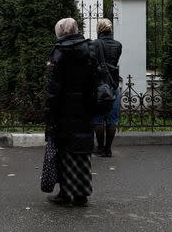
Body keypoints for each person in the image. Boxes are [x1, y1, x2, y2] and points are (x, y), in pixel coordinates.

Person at [45, 17, 95, 207]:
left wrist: (50, 114)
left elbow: (54, 88)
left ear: (60, 32)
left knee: (65, 150)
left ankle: (66, 193)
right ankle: (82, 193)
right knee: (82, 150)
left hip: (65, 109)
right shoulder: (88, 49)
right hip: (85, 107)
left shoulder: (60, 51)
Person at [91, 19, 123, 158]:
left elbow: (92, 62)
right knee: (112, 118)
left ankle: (100, 147)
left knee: (97, 117)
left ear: (99, 30)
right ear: (111, 30)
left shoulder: (94, 44)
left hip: (98, 86)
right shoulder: (118, 45)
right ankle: (108, 150)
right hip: (113, 84)